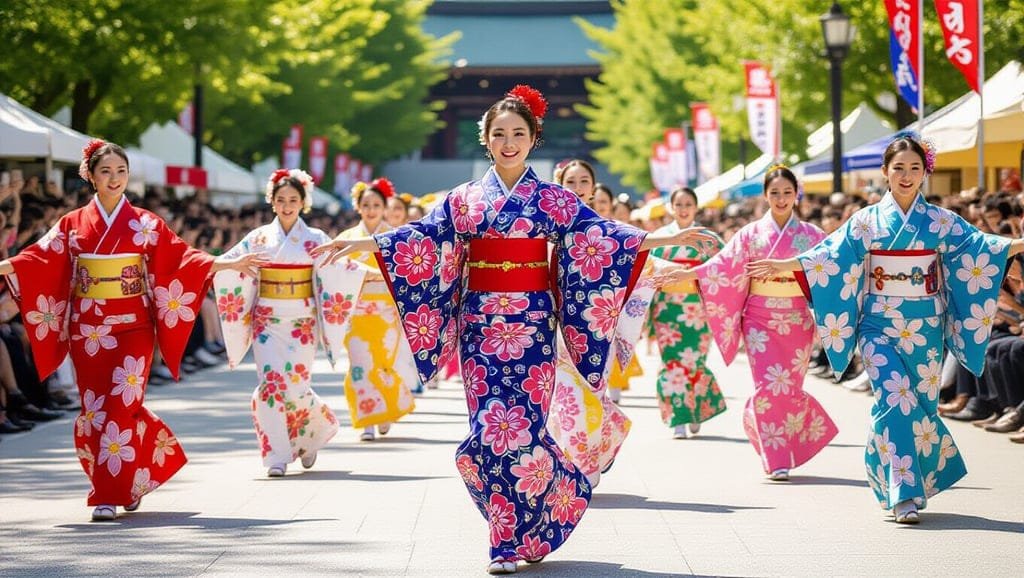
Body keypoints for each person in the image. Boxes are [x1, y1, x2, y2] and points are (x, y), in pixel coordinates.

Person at [312, 84, 713, 574]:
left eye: (518, 133)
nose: (508, 141)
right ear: (485, 138)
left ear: (533, 138)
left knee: (521, 428)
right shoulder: (462, 200)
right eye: (498, 133)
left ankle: (513, 533)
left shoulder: (552, 199)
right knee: (489, 432)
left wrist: (661, 235)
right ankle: (521, 522)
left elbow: (600, 236)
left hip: (533, 325)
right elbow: (420, 238)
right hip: (481, 329)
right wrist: (364, 246)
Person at [748, 131, 1024, 523]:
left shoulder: (940, 220)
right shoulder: (866, 221)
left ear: (925, 172)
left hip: (925, 327)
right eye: (899, 168)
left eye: (914, 168)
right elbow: (828, 256)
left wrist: (1020, 243)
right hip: (877, 325)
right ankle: (903, 493)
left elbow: (982, 247)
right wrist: (783, 266)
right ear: (885, 172)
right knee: (895, 397)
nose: (906, 175)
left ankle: (893, 475)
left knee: (917, 407)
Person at [0, 140, 263, 521]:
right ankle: (134, 476)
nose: (114, 179)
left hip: (133, 327)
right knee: (95, 411)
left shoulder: (144, 222)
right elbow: (36, 258)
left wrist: (224, 262)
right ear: (89, 176)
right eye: (105, 172)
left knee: (119, 405)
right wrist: (4, 267)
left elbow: (180, 257)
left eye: (121, 172)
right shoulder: (72, 223)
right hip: (88, 329)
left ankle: (106, 493)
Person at [673, 166, 837, 479]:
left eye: (787, 192)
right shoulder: (750, 234)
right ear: (765, 195)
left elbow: (831, 266)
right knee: (767, 386)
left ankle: (774, 430)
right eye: (774, 192)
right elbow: (721, 267)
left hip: (797, 319)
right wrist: (689, 273)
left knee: (788, 388)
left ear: (796, 194)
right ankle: (776, 459)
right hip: (760, 319)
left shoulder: (813, 236)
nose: (781, 198)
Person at [214, 169, 359, 477]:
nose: (287, 205)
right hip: (266, 318)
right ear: (272, 202)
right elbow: (232, 263)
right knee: (270, 385)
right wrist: (215, 265)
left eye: (293, 199)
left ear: (303, 202)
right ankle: (276, 455)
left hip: (301, 321)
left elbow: (342, 268)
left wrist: (376, 275)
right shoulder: (258, 238)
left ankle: (313, 434)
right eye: (281, 200)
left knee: (294, 385)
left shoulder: (315, 239)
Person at [336, 178, 417, 441]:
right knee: (359, 365)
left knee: (382, 364)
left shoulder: (394, 238)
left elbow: (405, 273)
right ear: (358, 207)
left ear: (385, 207)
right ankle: (368, 421)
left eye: (376, 205)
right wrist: (366, 275)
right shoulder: (346, 239)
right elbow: (334, 272)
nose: (371, 209)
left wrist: (372, 276)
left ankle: (385, 409)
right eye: (366, 204)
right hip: (356, 311)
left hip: (386, 312)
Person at [649, 187, 726, 439]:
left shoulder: (708, 239)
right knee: (672, 361)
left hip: (698, 308)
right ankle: (678, 418)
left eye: (688, 205)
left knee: (695, 360)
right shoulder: (660, 238)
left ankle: (696, 409)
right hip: (667, 307)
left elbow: (724, 266)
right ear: (671, 207)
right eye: (678, 204)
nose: (683, 209)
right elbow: (646, 270)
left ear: (696, 208)